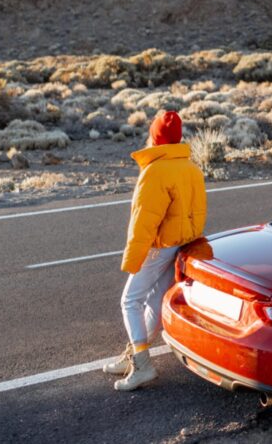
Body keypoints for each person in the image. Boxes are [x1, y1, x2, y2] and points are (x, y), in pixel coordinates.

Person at [103, 110, 207, 391]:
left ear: (155, 137)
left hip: (160, 247)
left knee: (130, 300)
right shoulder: (191, 167)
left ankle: (142, 364)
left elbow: (144, 221)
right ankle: (135, 355)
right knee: (154, 303)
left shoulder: (155, 171)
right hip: (182, 244)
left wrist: (133, 258)